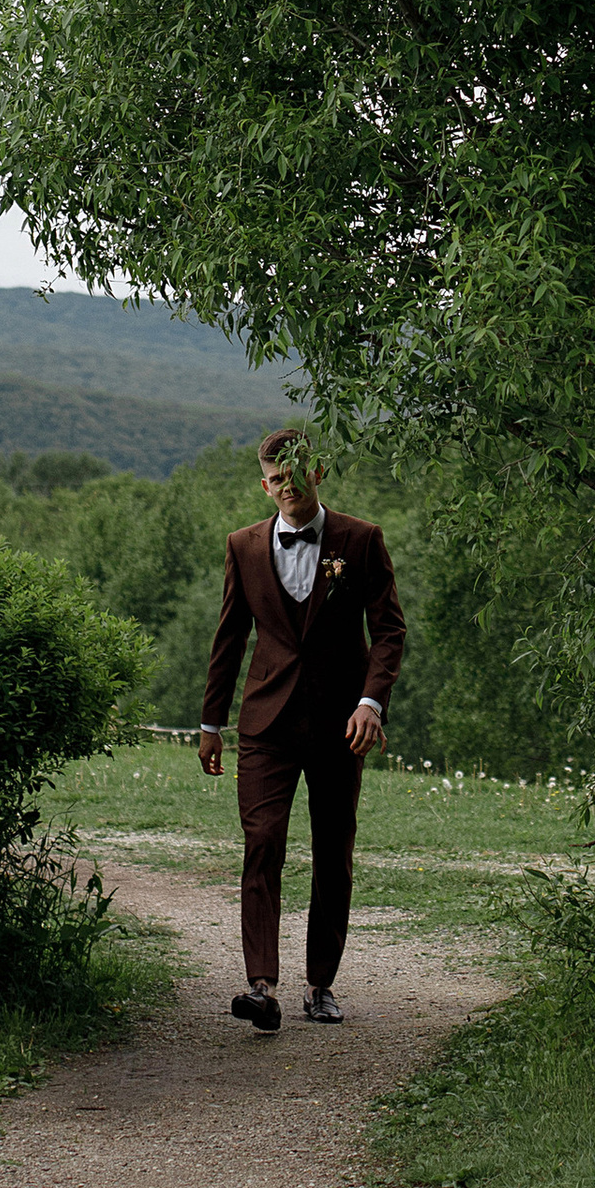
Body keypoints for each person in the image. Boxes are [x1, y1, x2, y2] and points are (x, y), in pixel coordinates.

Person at [198, 430, 406, 1033]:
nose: (287, 486)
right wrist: (212, 722)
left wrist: (371, 701)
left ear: (317, 473)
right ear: (265, 485)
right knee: (262, 842)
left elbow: (388, 631)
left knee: (332, 851)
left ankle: (321, 984)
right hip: (265, 722)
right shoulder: (242, 546)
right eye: (276, 478)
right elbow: (229, 637)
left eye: (297, 474)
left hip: (343, 724)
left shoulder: (360, 540)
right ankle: (261, 985)